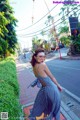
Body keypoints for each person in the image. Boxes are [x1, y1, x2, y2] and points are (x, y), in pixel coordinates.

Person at [29, 48, 62, 120]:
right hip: (51, 89)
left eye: (43, 56)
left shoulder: (33, 66)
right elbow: (52, 77)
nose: (42, 58)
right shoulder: (43, 65)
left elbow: (39, 78)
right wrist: (58, 85)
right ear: (35, 57)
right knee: (56, 108)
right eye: (40, 56)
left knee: (46, 107)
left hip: (44, 90)